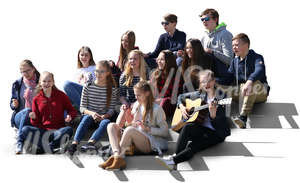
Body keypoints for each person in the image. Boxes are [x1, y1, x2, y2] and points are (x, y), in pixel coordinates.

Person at [156, 70, 230, 170]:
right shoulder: (199, 95)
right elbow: (180, 97)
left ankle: (173, 160)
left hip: (216, 132)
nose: (206, 84)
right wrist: (181, 107)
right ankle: (174, 157)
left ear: (213, 81)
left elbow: (221, 121)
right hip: (201, 127)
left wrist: (213, 115)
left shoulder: (222, 97)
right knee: (187, 127)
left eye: (208, 81)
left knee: (193, 145)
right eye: (203, 82)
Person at [99, 80, 169, 170]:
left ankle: (119, 158)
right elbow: (119, 125)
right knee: (111, 126)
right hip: (133, 141)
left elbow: (165, 132)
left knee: (130, 130)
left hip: (149, 143)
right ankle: (116, 156)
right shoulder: (136, 105)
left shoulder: (157, 109)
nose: (136, 97)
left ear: (147, 93)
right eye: (135, 95)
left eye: (138, 95)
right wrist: (123, 112)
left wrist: (148, 129)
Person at [16, 71, 77, 154]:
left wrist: (70, 116)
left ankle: (45, 148)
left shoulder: (61, 95)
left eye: (49, 81)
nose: (47, 83)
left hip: (58, 131)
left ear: (53, 82)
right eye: (44, 81)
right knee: (25, 130)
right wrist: (33, 118)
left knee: (68, 130)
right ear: (40, 83)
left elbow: (72, 110)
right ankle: (50, 148)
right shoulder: (36, 99)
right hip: (43, 131)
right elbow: (36, 123)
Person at [67, 61, 119, 155]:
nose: (98, 74)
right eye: (97, 71)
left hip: (103, 118)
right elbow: (82, 108)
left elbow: (111, 109)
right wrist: (92, 113)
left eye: (102, 71)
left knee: (106, 122)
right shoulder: (88, 86)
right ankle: (74, 144)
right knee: (87, 118)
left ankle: (91, 143)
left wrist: (105, 116)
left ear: (107, 73)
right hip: (89, 117)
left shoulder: (113, 89)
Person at [226, 33, 270, 128]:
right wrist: (213, 82)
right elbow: (227, 77)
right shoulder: (234, 61)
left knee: (253, 84)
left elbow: (260, 70)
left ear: (246, 45)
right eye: (233, 45)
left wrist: (250, 81)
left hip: (260, 92)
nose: (234, 48)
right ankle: (217, 118)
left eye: (236, 45)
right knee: (220, 87)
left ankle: (243, 118)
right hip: (242, 91)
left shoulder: (257, 57)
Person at [10, 60, 40, 153]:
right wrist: (14, 105)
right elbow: (12, 104)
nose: (25, 73)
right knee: (27, 110)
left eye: (28, 70)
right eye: (23, 72)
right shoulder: (17, 84)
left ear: (33, 69)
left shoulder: (42, 82)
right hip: (20, 115)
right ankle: (19, 143)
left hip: (36, 116)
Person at [199, 8, 233, 84]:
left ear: (215, 19)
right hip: (207, 73)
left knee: (208, 55)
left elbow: (230, 60)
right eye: (202, 19)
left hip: (223, 74)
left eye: (207, 19)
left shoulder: (225, 34)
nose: (204, 21)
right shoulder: (204, 36)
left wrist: (212, 52)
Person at [118, 49, 148, 125]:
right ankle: (117, 131)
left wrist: (136, 103)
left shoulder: (146, 74)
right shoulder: (124, 76)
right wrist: (125, 103)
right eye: (130, 59)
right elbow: (121, 95)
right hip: (129, 103)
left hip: (143, 103)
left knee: (137, 108)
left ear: (140, 60)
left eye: (135, 59)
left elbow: (149, 93)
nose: (132, 61)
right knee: (124, 110)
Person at [150, 50, 183, 119]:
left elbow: (175, 97)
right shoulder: (155, 74)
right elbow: (153, 94)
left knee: (165, 102)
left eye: (162, 59)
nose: (159, 61)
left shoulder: (177, 75)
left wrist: (160, 100)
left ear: (169, 61)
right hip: (157, 101)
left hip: (171, 103)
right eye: (158, 59)